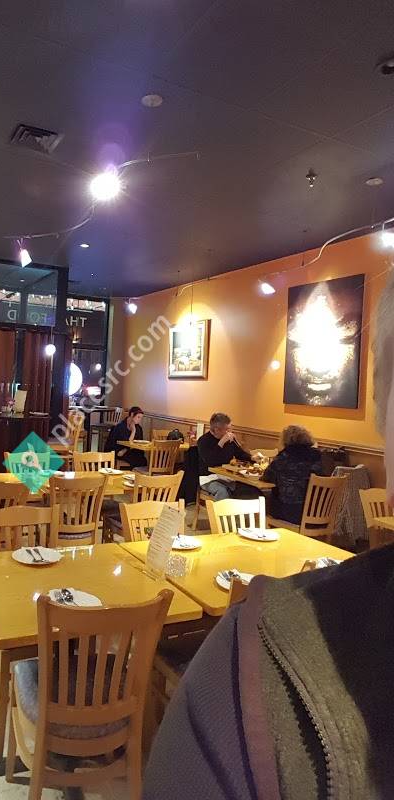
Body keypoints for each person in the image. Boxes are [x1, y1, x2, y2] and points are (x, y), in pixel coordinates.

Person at [143, 273, 394, 799]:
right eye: (221, 426)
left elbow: (249, 465)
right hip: (247, 499)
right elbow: (213, 464)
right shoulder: (212, 445)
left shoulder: (259, 638)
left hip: (278, 512)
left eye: (224, 427)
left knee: (230, 490)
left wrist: (237, 447)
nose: (223, 430)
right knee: (219, 488)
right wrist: (225, 449)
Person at [263, 425, 322, 524]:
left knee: (264, 500)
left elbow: (267, 477)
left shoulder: (283, 458)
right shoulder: (319, 457)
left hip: (292, 513)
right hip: (318, 512)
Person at [197, 412, 253, 499]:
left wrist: (253, 458)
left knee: (248, 489)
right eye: (227, 429)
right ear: (216, 429)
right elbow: (210, 461)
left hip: (227, 476)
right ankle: (219, 508)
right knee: (223, 491)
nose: (229, 432)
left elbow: (240, 454)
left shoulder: (229, 440)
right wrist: (221, 443)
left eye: (230, 429)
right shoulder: (203, 441)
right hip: (208, 478)